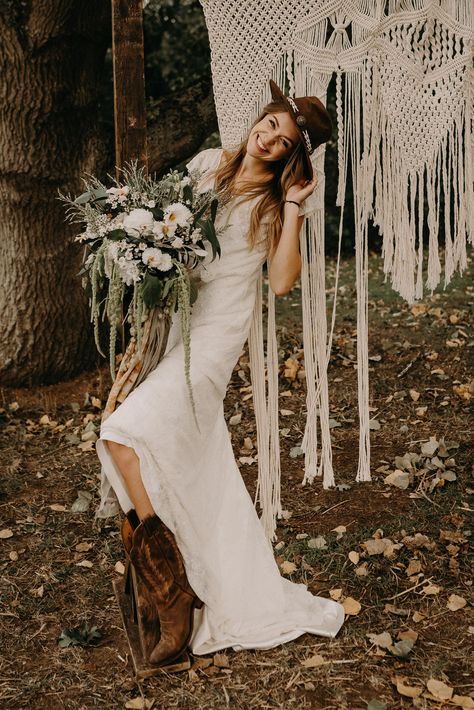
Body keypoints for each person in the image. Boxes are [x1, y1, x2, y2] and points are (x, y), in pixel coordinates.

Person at [95, 79, 344, 668]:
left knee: (122, 435)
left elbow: (281, 282)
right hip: (176, 327)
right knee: (161, 452)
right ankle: (175, 580)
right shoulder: (208, 165)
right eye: (270, 124)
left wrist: (292, 206)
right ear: (261, 117)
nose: (268, 137)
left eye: (282, 141)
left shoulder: (271, 206)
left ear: (291, 157)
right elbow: (164, 226)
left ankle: (172, 592)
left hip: (212, 340)